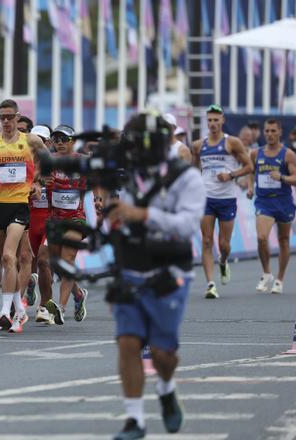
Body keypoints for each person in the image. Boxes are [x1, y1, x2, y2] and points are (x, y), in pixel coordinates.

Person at [108, 112, 205, 440]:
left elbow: (188, 226)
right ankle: (134, 420)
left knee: (163, 354)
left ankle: (166, 387)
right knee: (128, 343)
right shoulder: (135, 176)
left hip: (170, 271)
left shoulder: (187, 178)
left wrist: (147, 214)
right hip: (133, 270)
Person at [0, 99, 48, 333]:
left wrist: (35, 180)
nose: (6, 121)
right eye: (2, 117)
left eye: (10, 117)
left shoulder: (31, 141)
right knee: (5, 260)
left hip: (19, 206)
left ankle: (5, 312)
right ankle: (19, 309)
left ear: (18, 117)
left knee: (9, 257)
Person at [192, 105, 252, 299]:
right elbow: (194, 171)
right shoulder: (198, 145)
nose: (212, 124)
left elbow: (249, 166)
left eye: (216, 120)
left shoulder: (232, 143)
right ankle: (210, 284)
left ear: (222, 121)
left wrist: (231, 175)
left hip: (227, 199)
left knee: (224, 244)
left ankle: (224, 262)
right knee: (207, 240)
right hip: (206, 199)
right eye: (209, 120)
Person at [38, 125, 89, 325]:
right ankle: (78, 294)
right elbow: (35, 180)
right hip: (55, 220)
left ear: (73, 141)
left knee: (67, 260)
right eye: (56, 139)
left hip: (76, 219)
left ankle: (60, 307)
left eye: (64, 139)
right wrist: (40, 180)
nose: (59, 143)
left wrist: (100, 199)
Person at [247, 119, 296, 294]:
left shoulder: (288, 155)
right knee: (262, 237)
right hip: (264, 202)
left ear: (279, 132)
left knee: (283, 240)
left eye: (273, 131)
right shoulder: (256, 153)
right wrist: (250, 187)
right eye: (267, 131)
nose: (269, 134)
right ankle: (266, 273)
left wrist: (282, 178)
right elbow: (250, 171)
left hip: (283, 203)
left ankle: (279, 279)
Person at [26, 125, 52, 309]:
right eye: (35, 141)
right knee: (27, 262)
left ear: (47, 143)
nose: (37, 144)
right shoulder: (23, 163)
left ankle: (45, 307)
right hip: (30, 219)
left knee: (44, 261)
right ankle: (26, 289)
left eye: (41, 141)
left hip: (51, 220)